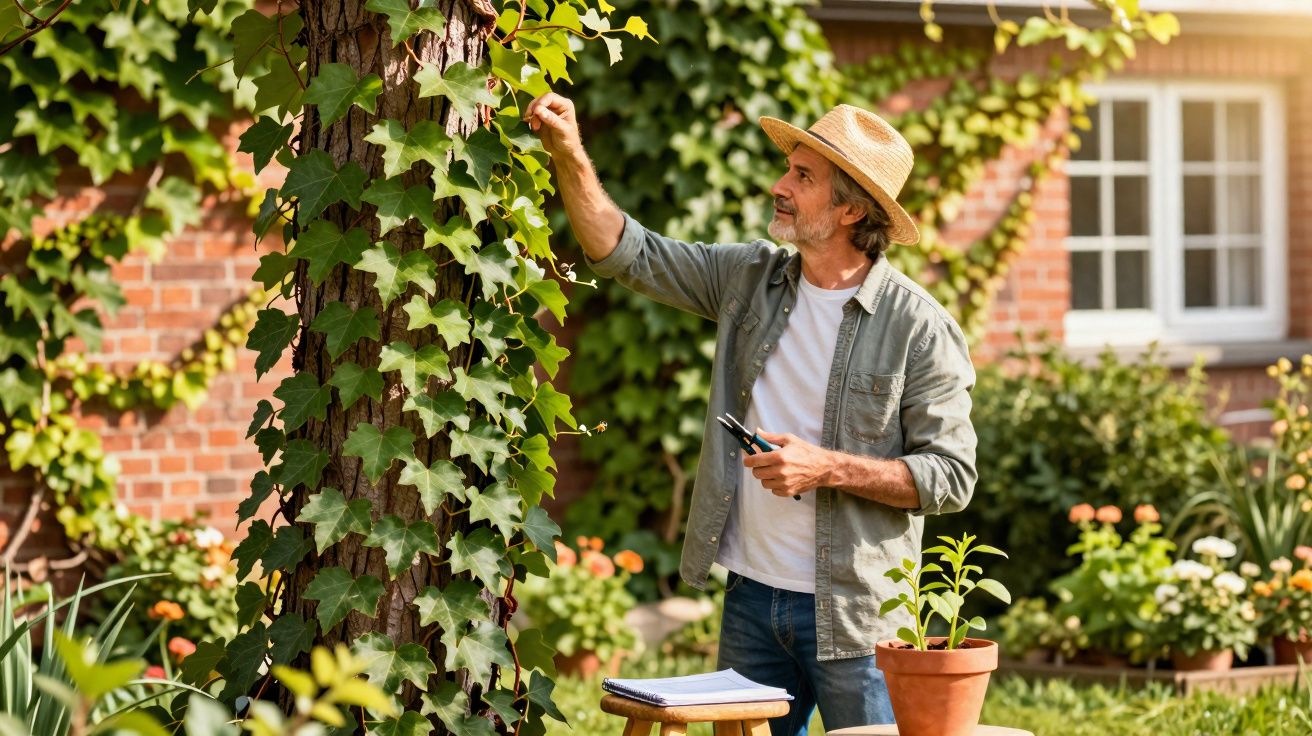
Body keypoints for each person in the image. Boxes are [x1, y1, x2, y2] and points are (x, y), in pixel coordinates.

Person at [523, 92, 978, 735]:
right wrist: (568, 151)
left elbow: (951, 477)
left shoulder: (919, 328)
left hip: (859, 613)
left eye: (803, 176)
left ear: (851, 209)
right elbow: (627, 252)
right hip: (751, 601)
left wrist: (825, 468)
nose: (779, 185)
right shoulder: (748, 279)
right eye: (788, 169)